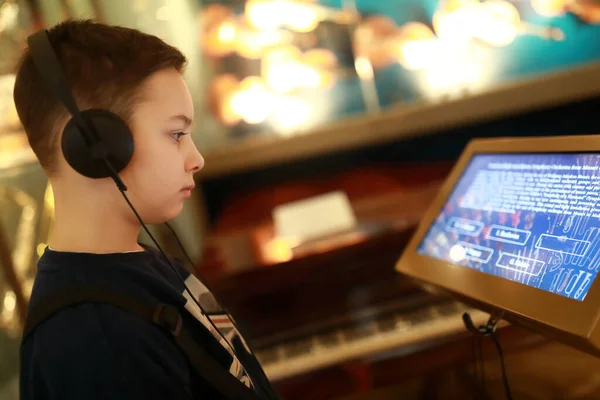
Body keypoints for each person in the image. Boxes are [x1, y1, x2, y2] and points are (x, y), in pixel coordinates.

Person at [13, 19, 278, 400]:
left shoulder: (147, 267)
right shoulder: (94, 339)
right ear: (97, 145)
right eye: (176, 134)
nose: (197, 159)